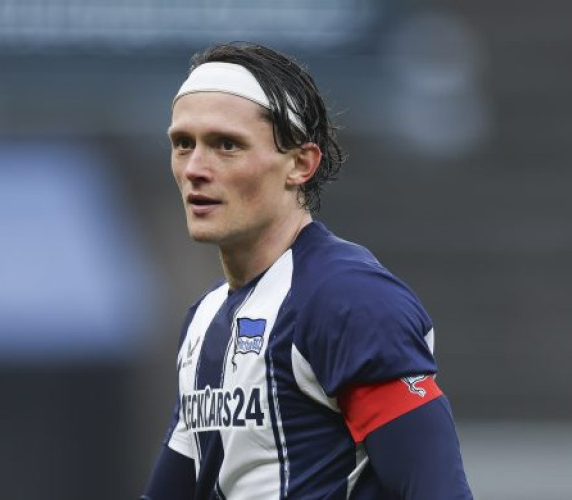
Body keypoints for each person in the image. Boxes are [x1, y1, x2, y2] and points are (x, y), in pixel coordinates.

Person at [141, 42, 472, 499]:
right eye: (183, 144)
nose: (195, 168)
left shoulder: (348, 299)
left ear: (300, 163)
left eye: (226, 145)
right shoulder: (205, 317)